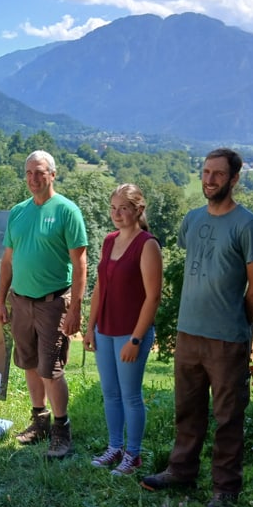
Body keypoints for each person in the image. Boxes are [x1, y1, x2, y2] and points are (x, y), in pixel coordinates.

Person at [140, 148, 253, 507]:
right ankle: (181, 472)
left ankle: (225, 491)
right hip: (187, 333)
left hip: (227, 339)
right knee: (187, 410)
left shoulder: (248, 226)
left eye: (217, 174)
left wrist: (236, 324)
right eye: (205, 172)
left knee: (228, 417)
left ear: (234, 179)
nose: (209, 179)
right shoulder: (192, 220)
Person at [0, 150, 88, 459]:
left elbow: (80, 265)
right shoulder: (18, 212)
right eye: (29, 173)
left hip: (52, 303)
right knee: (30, 363)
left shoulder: (66, 211)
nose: (34, 178)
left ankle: (62, 431)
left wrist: (75, 308)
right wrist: (0, 301)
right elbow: (7, 261)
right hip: (20, 301)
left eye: (40, 172)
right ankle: (40, 420)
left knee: (51, 369)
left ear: (53, 174)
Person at [83, 183, 162, 476]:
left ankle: (133, 455)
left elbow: (153, 296)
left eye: (123, 208)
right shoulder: (109, 240)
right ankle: (114, 447)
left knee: (130, 395)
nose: (116, 214)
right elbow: (99, 287)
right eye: (113, 208)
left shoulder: (147, 245)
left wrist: (136, 339)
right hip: (105, 329)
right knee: (110, 393)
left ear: (138, 210)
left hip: (131, 333)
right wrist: (90, 328)